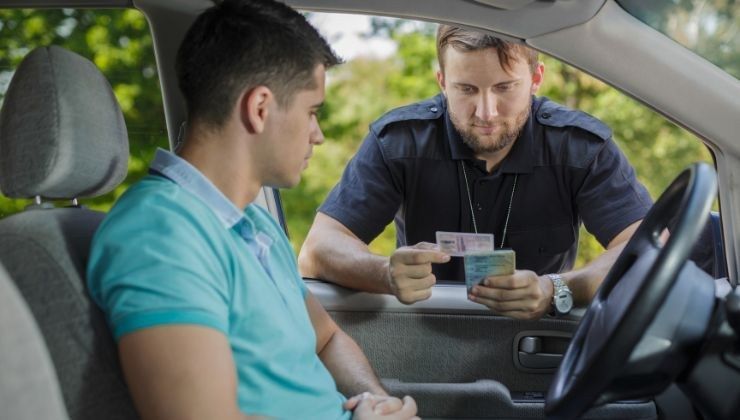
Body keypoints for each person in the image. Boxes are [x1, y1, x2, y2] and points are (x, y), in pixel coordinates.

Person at [87, 1, 418, 419]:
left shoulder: (252, 222)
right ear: (260, 108)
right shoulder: (159, 234)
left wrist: (378, 402)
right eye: (312, 111)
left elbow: (326, 339)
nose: (317, 135)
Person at [298, 25, 654, 320]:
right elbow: (317, 249)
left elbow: (648, 246)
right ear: (442, 81)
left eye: (504, 88)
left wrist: (558, 288)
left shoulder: (581, 147)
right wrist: (383, 273)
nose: (486, 112)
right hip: (423, 338)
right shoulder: (399, 141)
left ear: (535, 79)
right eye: (466, 89)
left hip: (537, 339)